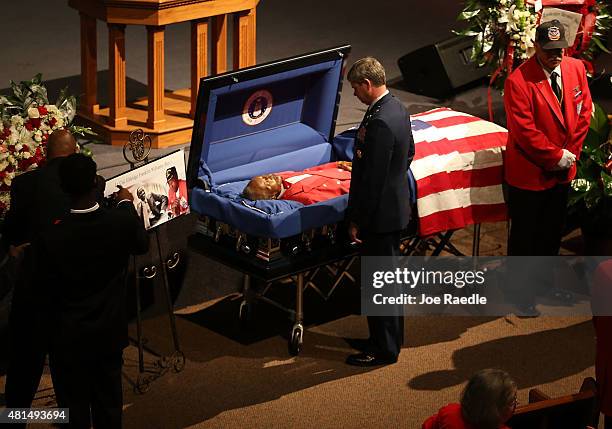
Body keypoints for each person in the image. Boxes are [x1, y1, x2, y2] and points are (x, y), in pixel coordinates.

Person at [30, 153, 149, 428]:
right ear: (96, 182)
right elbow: (141, 244)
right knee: (109, 405)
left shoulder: (50, 236)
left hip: (67, 339)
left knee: (73, 410)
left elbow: (40, 288)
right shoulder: (120, 221)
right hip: (108, 332)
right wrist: (126, 204)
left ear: (62, 188)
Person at [504, 20, 592, 316]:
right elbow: (525, 132)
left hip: (563, 169)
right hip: (530, 175)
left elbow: (585, 111)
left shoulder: (575, 68)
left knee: (551, 234)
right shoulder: (518, 81)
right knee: (526, 239)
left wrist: (571, 154)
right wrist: (555, 156)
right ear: (536, 47)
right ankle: (520, 294)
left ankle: (542, 284)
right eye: (550, 51)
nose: (556, 56)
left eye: (560, 50)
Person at [344, 57, 415, 366]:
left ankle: (384, 349)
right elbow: (410, 151)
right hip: (393, 208)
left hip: (379, 217)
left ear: (367, 84)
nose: (355, 94)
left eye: (355, 88)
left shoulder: (381, 121)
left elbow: (371, 180)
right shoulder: (397, 107)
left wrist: (358, 219)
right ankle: (387, 339)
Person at [2, 129, 78, 413]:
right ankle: (69, 416)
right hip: (70, 294)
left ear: (46, 154)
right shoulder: (88, 184)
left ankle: (15, 420)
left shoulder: (26, 185)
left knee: (23, 373)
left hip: (33, 291)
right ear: (75, 154)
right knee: (67, 373)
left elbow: (11, 231)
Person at [422, 369, 517, 429]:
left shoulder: (449, 411)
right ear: (494, 411)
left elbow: (427, 425)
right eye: (512, 401)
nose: (516, 402)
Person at [242, 161, 352, 204]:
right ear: (273, 197)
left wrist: (338, 164)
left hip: (345, 168)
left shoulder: (282, 177)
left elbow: (310, 172)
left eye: (263, 176)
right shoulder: (301, 197)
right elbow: (337, 193)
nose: (268, 177)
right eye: (266, 183)